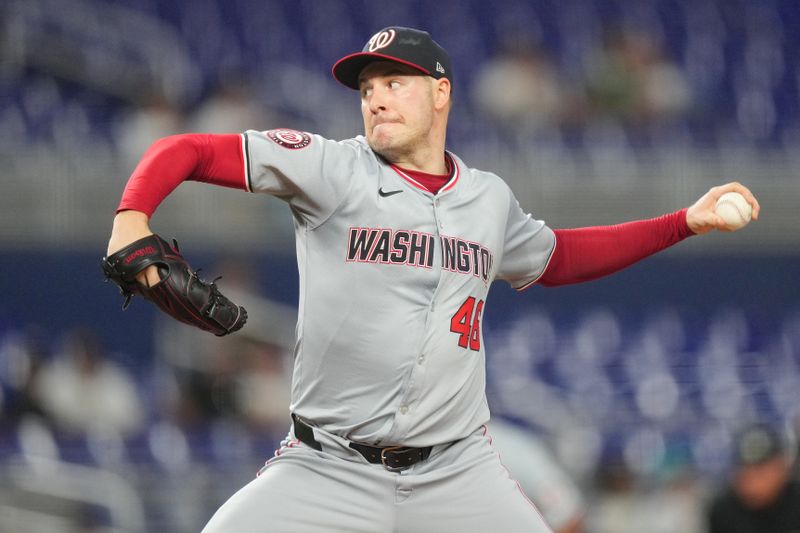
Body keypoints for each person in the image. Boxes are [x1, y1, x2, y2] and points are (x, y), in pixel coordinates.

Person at [105, 26, 760, 533]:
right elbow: (186, 149)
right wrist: (131, 215)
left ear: (441, 92)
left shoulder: (488, 199)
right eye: (367, 88)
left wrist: (684, 222)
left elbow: (558, 257)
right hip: (327, 462)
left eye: (395, 81)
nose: (376, 97)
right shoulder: (331, 169)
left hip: (459, 469)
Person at [707, 423, 800, 533]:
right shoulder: (723, 511)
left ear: (782, 467)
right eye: (746, 473)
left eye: (761, 471)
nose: (754, 483)